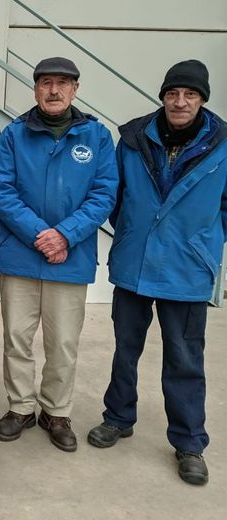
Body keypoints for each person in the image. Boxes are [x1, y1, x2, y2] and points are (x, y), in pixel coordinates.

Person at [87, 60, 224, 485]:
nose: (180, 102)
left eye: (190, 95)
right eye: (172, 93)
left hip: (187, 268)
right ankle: (118, 417)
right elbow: (113, 192)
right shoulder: (132, 138)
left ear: (202, 99)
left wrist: (206, 241)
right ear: (162, 96)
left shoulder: (221, 143)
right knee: (125, 348)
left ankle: (188, 442)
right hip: (135, 262)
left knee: (184, 358)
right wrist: (127, 230)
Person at [0, 57, 118, 452]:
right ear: (35, 89)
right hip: (21, 256)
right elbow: (1, 191)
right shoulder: (13, 135)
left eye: (63, 83)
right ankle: (20, 407)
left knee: (62, 343)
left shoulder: (96, 137)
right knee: (16, 338)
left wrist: (64, 235)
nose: (54, 90)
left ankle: (56, 411)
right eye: (46, 83)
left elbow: (104, 194)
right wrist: (39, 234)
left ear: (75, 89)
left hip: (71, 257)